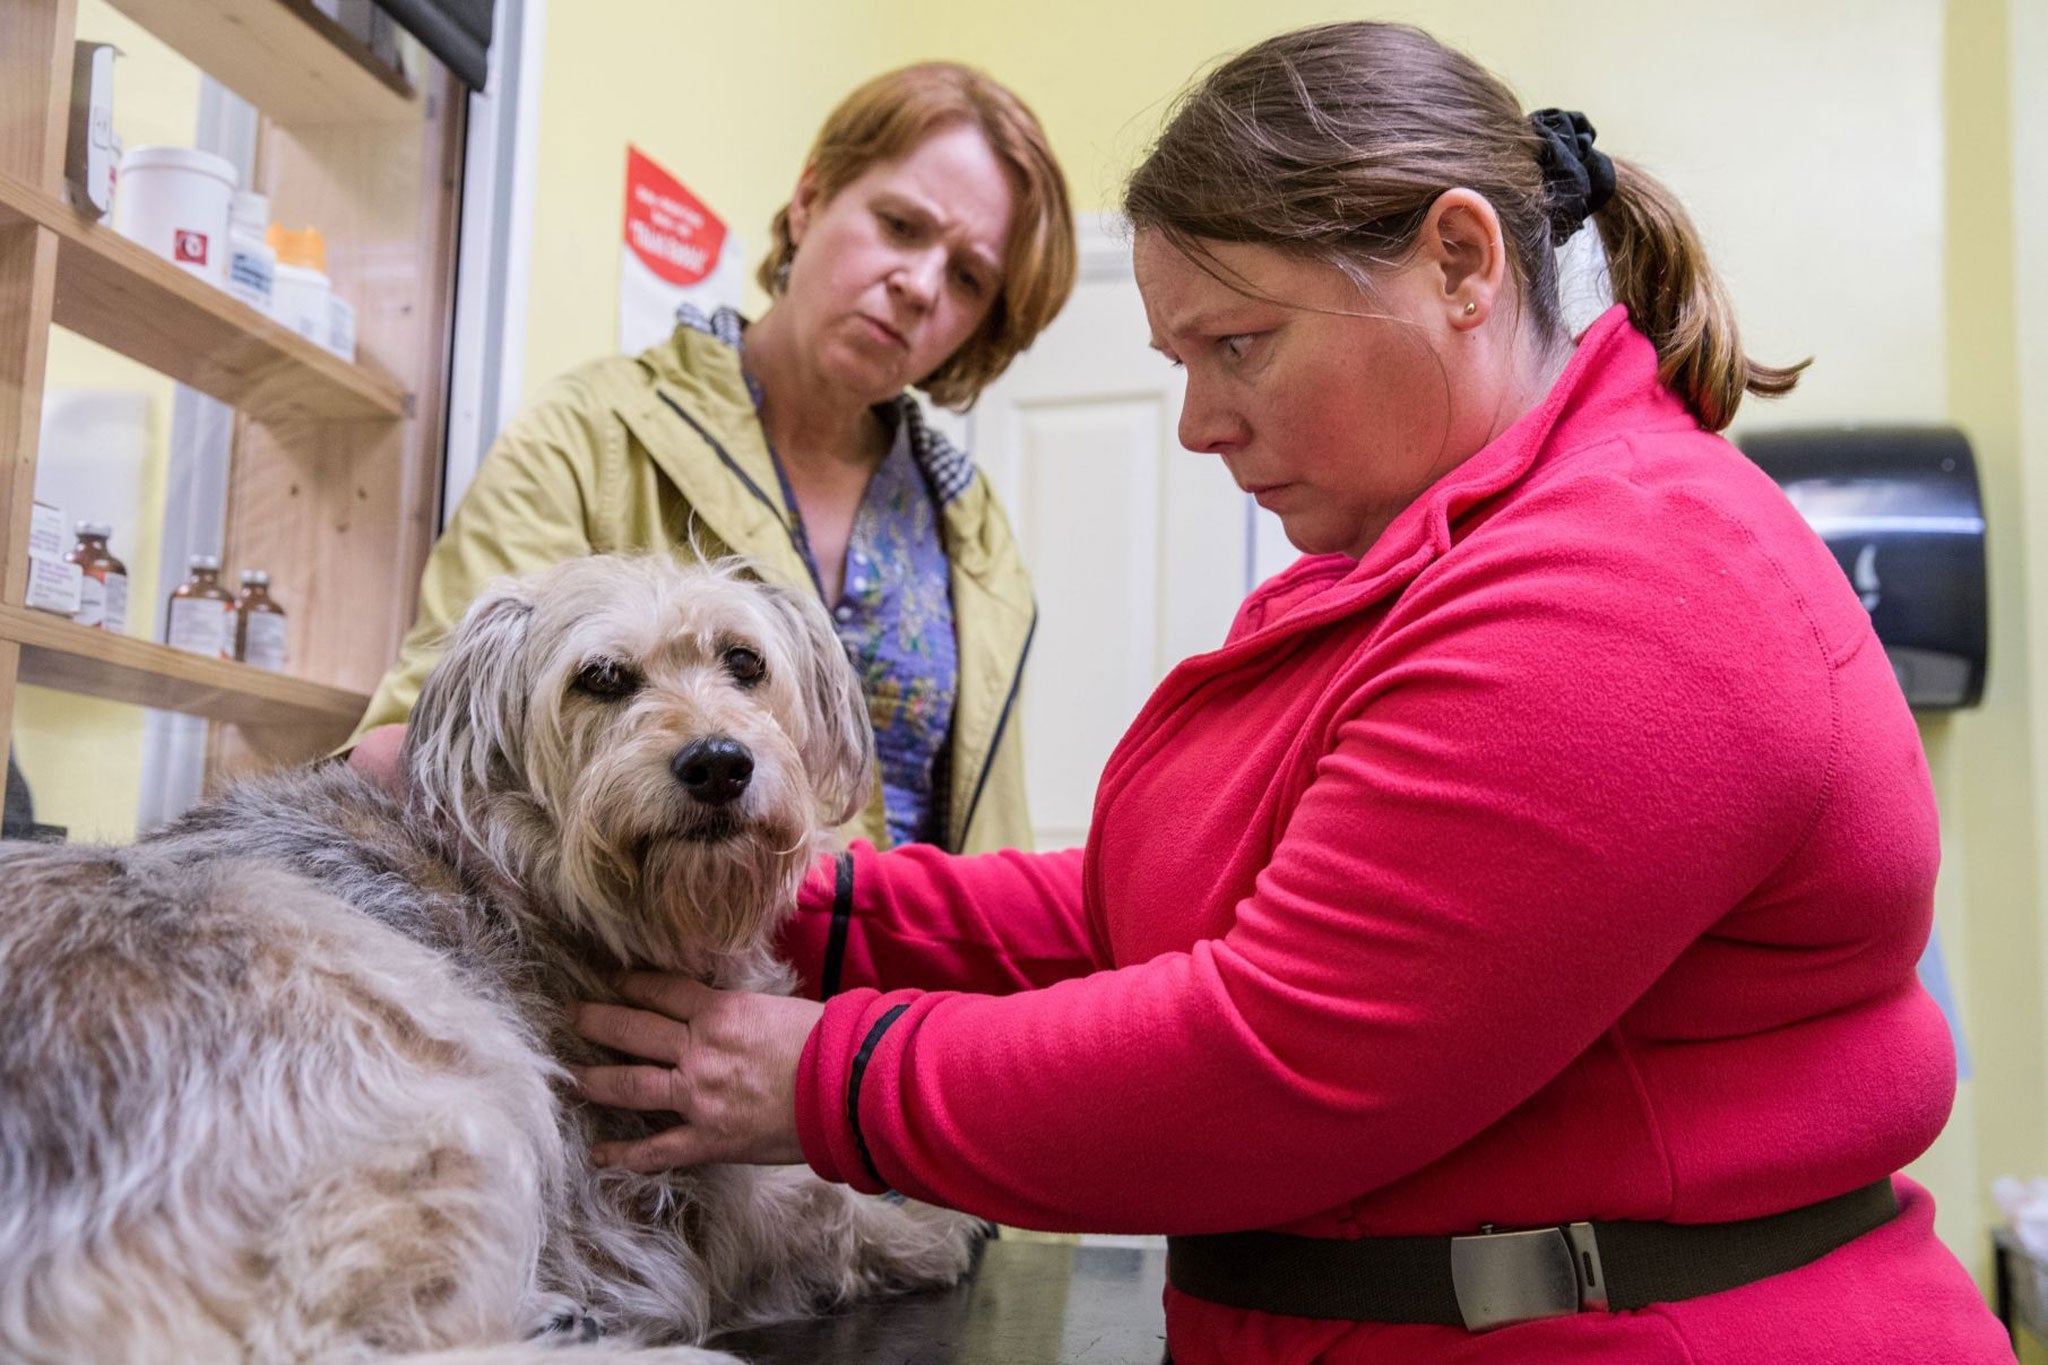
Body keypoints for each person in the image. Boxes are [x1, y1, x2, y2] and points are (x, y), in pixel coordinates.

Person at [569, 22, 2009, 1363]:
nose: (1197, 422)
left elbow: (1279, 1055)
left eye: (1237, 346)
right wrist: (808, 911)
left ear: (1460, 261)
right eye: (1178, 359)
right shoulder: (1417, 556)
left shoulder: (1628, 584)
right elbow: (1136, 910)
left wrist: (824, 1078)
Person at [350, 62, 1076, 855]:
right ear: (810, 200)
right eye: (901, 225)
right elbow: (417, 754)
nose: (920, 284)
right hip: (646, 960)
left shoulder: (968, 526)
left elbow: (987, 819)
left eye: (969, 278)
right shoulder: (593, 432)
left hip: (915, 956)